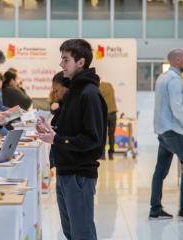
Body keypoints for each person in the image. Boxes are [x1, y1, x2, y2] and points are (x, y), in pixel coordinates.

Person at [36, 39, 107, 240]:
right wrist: (52, 130)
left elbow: (93, 138)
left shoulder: (90, 93)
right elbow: (70, 128)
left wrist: (57, 140)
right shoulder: (74, 91)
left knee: (81, 232)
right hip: (66, 171)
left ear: (81, 62)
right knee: (70, 232)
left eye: (65, 60)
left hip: (79, 175)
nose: (61, 64)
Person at [149, 48, 183, 221]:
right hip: (174, 131)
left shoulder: (162, 78)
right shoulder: (174, 80)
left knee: (160, 170)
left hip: (163, 131)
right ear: (176, 60)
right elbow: (176, 107)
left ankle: (155, 210)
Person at [48, 71, 70, 169]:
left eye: (56, 91)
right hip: (63, 162)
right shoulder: (63, 103)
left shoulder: (71, 105)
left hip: (69, 164)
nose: (55, 95)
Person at [99, 80, 118, 160]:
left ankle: (102, 155)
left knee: (103, 135)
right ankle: (111, 154)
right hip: (113, 113)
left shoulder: (98, 88)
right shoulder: (110, 85)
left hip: (104, 114)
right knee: (111, 135)